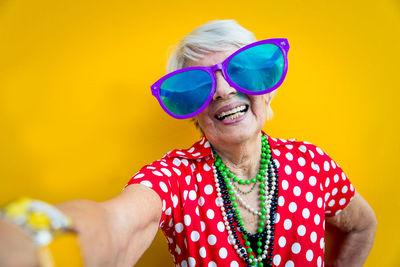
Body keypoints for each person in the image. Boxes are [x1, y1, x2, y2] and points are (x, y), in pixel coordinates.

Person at [0, 20, 376, 267]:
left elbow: (362, 226)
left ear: (268, 88)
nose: (225, 91)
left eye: (240, 71)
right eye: (200, 85)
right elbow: (115, 223)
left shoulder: (313, 164)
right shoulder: (175, 178)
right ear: (193, 113)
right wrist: (33, 235)